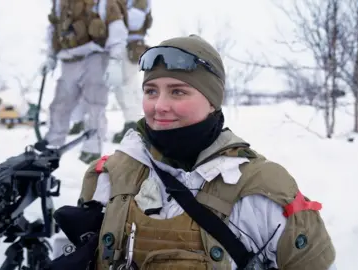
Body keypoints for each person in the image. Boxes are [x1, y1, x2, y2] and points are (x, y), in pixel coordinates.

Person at [50, 35, 337, 269]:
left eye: (178, 92)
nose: (159, 105)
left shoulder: (263, 190)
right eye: (151, 91)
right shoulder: (110, 175)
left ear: (213, 101)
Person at [40, 0, 129, 164]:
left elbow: (117, 31)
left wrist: (115, 61)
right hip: (68, 58)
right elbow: (53, 29)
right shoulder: (60, 3)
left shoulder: (103, 3)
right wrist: (50, 57)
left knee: (95, 104)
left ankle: (92, 148)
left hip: (95, 55)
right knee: (60, 104)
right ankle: (53, 142)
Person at [68, 0, 153, 143]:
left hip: (130, 46)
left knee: (128, 86)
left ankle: (133, 124)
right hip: (110, 47)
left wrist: (113, 16)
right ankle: (83, 121)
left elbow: (135, 20)